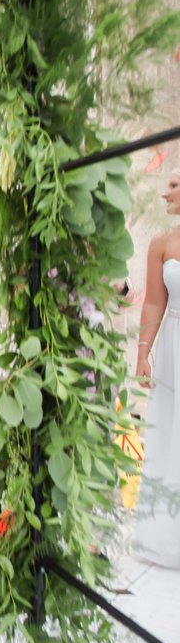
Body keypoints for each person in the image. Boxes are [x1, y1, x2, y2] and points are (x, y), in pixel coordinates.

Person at [133, 166, 180, 568]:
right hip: (173, 350)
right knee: (168, 434)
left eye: (174, 185)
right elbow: (153, 302)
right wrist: (142, 352)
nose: (166, 192)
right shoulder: (161, 244)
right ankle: (166, 533)